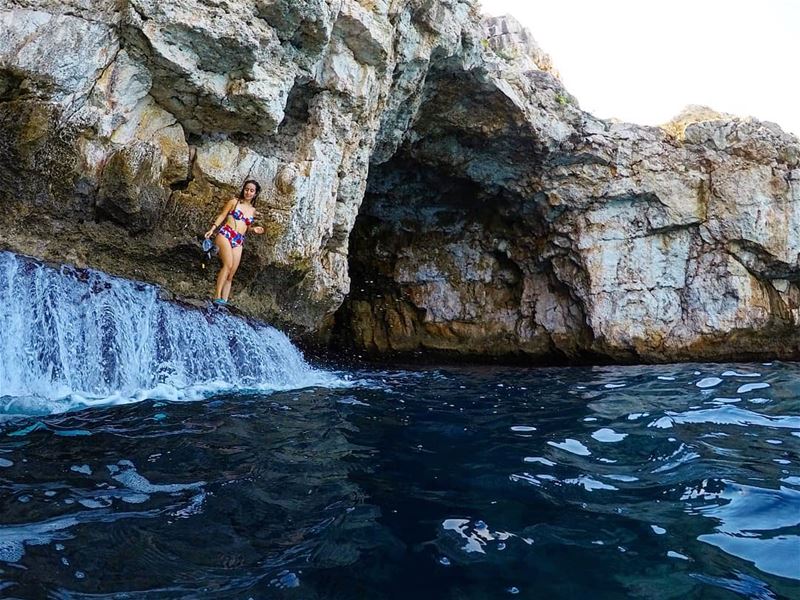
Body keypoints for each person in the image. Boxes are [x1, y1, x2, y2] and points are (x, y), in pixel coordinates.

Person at [204, 179, 265, 305]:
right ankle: (217, 296)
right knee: (228, 265)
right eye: (246, 189)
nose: (248, 192)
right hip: (226, 233)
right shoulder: (234, 202)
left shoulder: (253, 210)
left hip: (238, 239)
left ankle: (224, 301)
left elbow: (246, 227)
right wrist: (212, 229)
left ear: (255, 193)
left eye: (251, 191)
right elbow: (222, 215)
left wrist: (254, 229)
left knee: (231, 274)